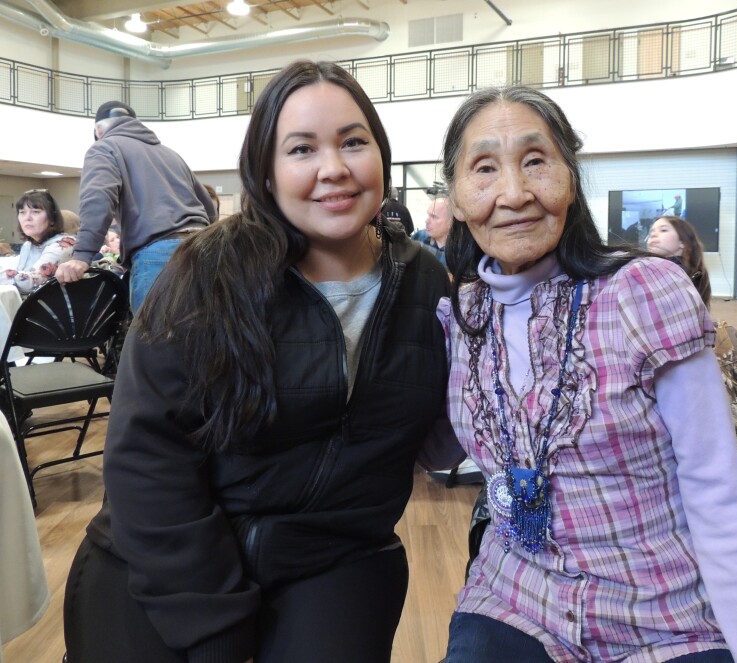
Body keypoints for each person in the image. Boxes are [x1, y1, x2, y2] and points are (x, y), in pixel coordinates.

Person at [63, 60, 460, 663]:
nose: (334, 168)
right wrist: (214, 625)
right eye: (302, 149)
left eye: (354, 142)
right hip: (169, 552)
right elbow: (147, 454)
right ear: (267, 174)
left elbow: (443, 438)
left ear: (381, 154)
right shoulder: (207, 272)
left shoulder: (426, 282)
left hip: (328, 558)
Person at [438, 86, 737, 663]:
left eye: (536, 161)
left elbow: (716, 486)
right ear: (454, 196)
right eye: (483, 168)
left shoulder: (643, 292)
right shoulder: (460, 317)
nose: (514, 193)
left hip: (664, 614)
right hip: (514, 600)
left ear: (570, 178)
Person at [54, 100, 216, 312]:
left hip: (158, 255)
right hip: (202, 249)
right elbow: (209, 210)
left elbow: (98, 201)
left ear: (97, 130)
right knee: (199, 340)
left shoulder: (104, 147)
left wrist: (83, 255)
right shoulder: (171, 155)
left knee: (154, 342)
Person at [0, 190, 76, 294]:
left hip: (53, 307)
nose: (27, 218)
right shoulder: (29, 245)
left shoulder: (63, 244)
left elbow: (30, 282)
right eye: (22, 212)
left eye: (36, 212)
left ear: (52, 219)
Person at [647, 214, 712, 307]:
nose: (653, 234)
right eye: (651, 232)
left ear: (682, 242)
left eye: (663, 230)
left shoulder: (682, 274)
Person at [412, 195, 453, 268]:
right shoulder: (419, 237)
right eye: (428, 215)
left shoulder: (461, 248)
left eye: (434, 217)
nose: (427, 221)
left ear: (451, 222)